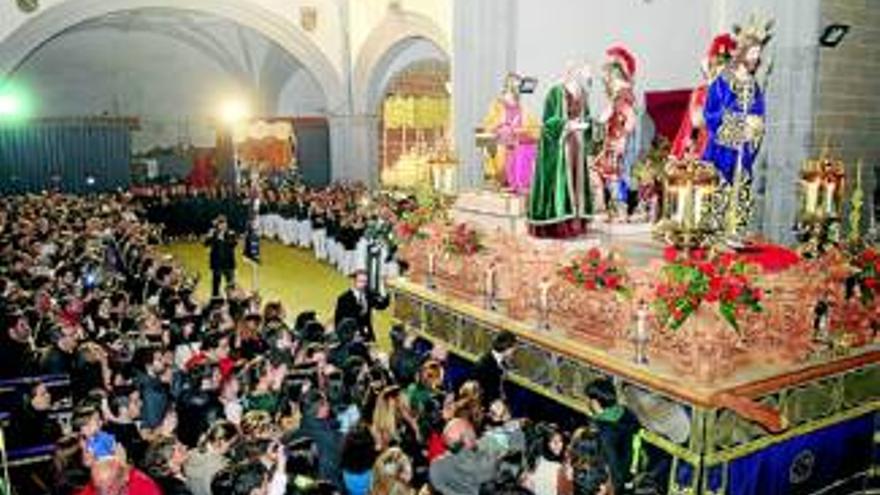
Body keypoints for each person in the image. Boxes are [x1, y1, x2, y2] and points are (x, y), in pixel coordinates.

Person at [702, 16, 772, 240]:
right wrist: (740, 124)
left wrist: (755, 127)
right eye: (752, 53)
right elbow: (712, 114)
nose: (756, 58)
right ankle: (715, 231)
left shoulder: (753, 85)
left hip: (743, 149)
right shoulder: (723, 81)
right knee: (720, 190)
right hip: (722, 150)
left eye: (758, 54)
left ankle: (736, 230)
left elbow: (759, 114)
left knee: (741, 189)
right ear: (742, 53)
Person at [527, 64, 594, 238]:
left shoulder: (583, 94)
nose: (579, 75)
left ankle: (575, 222)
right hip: (560, 146)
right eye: (576, 72)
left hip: (576, 145)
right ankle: (559, 225)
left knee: (576, 182)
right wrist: (567, 125)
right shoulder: (555, 92)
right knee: (562, 183)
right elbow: (548, 123)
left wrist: (586, 125)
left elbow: (586, 117)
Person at [334, 269, 390, 343]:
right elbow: (339, 321)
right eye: (360, 281)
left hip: (367, 333)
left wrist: (385, 291)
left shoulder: (369, 294)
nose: (363, 284)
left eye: (365, 282)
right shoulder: (344, 299)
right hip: (352, 336)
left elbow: (381, 305)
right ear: (353, 281)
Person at [471, 331, 517, 407]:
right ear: (507, 348)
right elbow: (479, 392)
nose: (515, 350)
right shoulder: (484, 365)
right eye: (514, 348)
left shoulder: (501, 361)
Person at [204, 215, 238, 297]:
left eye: (224, 223)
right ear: (217, 224)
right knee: (216, 284)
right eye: (220, 223)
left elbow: (234, 244)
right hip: (217, 263)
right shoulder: (213, 233)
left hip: (229, 264)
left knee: (231, 284)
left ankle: (232, 300)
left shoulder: (231, 233)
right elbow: (206, 244)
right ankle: (215, 300)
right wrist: (211, 236)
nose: (222, 225)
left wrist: (223, 238)